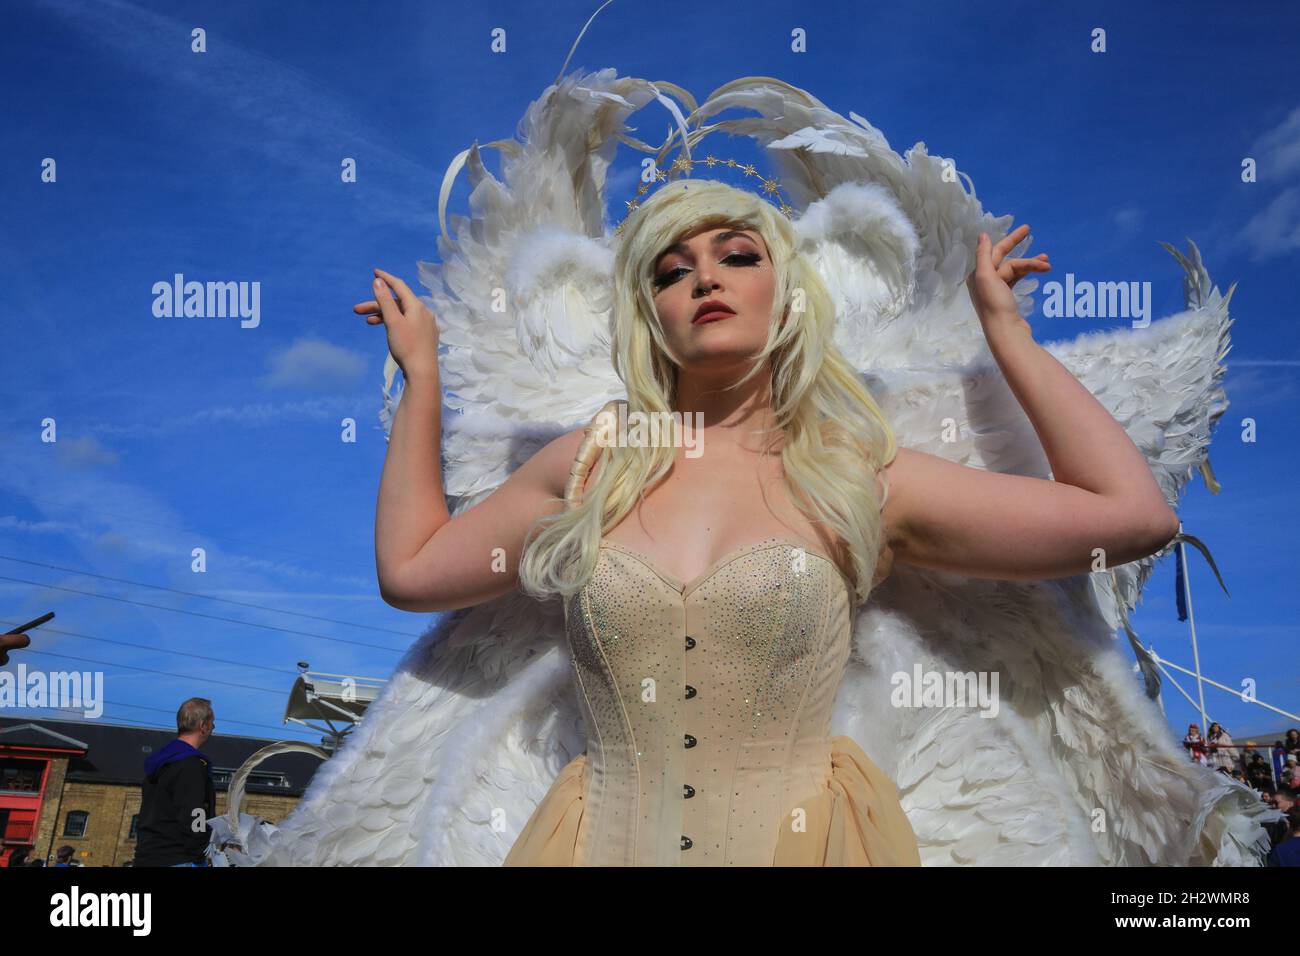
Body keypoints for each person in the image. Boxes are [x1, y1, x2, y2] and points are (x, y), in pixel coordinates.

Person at [248, 56, 1273, 867]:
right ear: (644, 310)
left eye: (738, 256)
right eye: (670, 267)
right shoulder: (592, 461)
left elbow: (1127, 515)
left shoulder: (858, 476)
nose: (705, 279)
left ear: (786, 292)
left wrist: (1004, 333)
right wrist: (420, 377)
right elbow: (413, 569)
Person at [135, 698, 217, 867]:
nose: (212, 729)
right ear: (203, 725)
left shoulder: (159, 763)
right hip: (178, 857)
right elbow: (195, 811)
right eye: (212, 723)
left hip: (146, 855)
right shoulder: (191, 765)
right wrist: (201, 851)